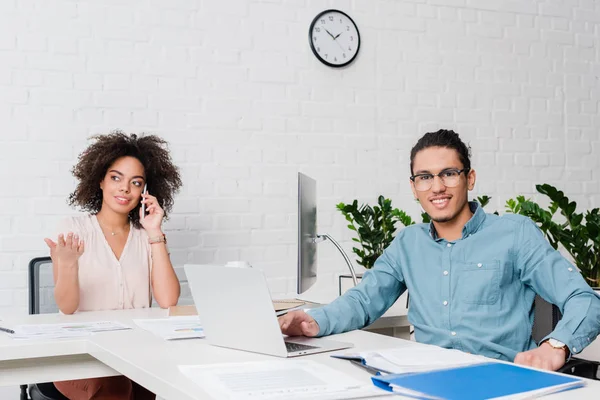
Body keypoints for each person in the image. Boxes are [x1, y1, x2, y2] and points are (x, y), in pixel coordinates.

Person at [279, 129, 600, 371]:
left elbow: (585, 300)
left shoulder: (515, 235)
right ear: (413, 186)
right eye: (424, 177)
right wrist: (311, 321)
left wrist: (555, 346)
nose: (436, 187)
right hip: (424, 378)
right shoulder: (408, 243)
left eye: (448, 173)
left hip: (499, 381)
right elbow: (363, 300)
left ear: (469, 178)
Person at [43, 131, 182, 400]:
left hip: (136, 349)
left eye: (136, 182)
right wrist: (68, 265)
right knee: (116, 388)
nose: (124, 188)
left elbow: (168, 300)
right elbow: (67, 307)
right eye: (116, 178)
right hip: (83, 354)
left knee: (151, 382)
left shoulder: (147, 236)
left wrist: (155, 231)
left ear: (145, 191)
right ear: (101, 181)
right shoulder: (73, 229)